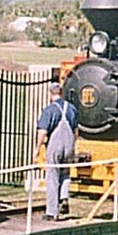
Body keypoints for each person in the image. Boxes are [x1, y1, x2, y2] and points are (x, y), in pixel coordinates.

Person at [34, 82, 78, 220]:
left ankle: (52, 212)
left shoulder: (49, 110)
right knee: (65, 174)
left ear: (50, 94)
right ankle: (64, 197)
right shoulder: (71, 108)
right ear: (62, 93)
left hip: (55, 144)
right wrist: (71, 145)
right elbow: (76, 131)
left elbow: (43, 131)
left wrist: (37, 148)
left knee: (52, 177)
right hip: (69, 145)